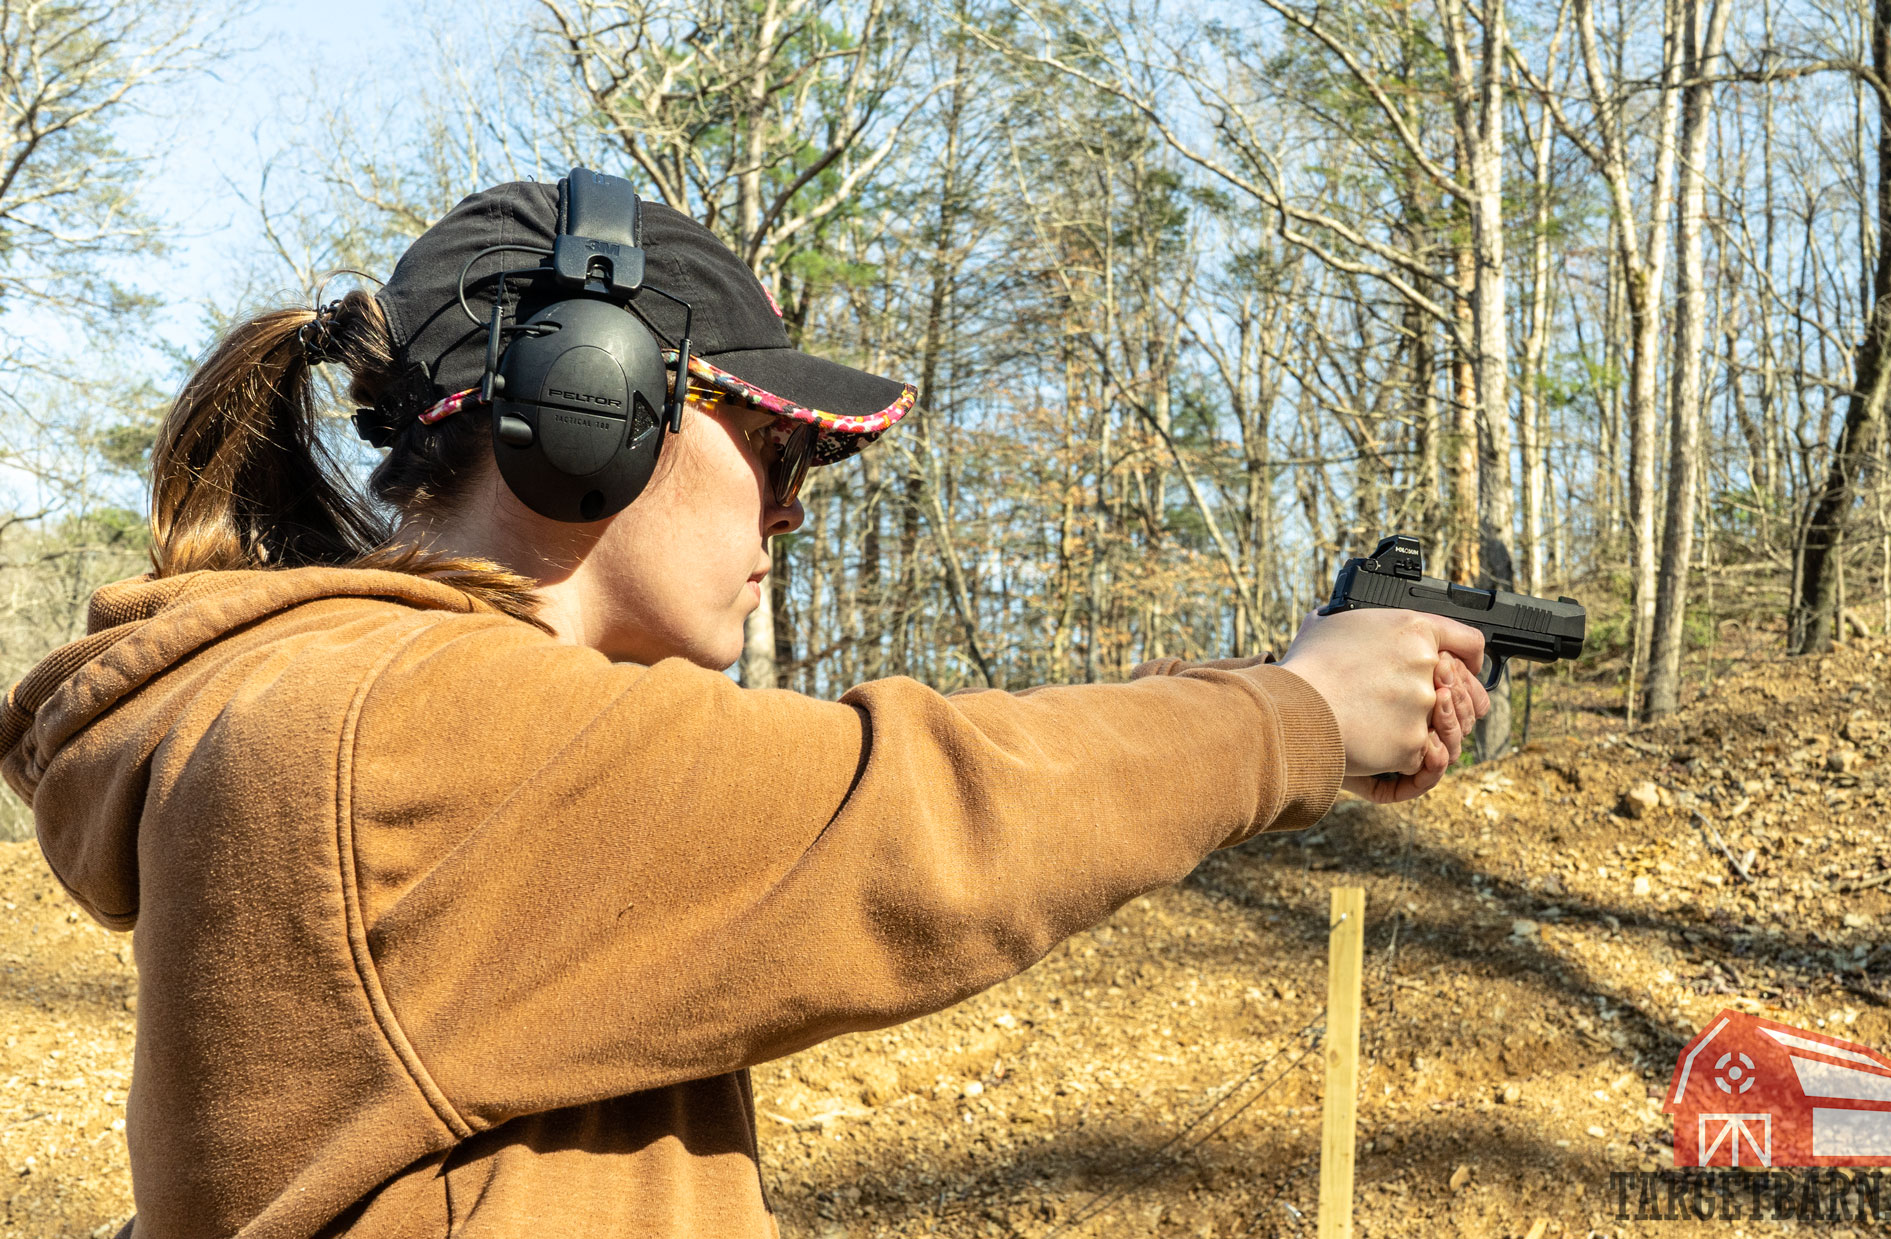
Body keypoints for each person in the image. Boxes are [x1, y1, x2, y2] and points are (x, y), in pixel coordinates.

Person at [0, 176, 1490, 1239]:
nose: (789, 515)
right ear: (595, 401)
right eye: (776, 453)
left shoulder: (354, 710)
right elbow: (927, 818)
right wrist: (1296, 711)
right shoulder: (405, 728)